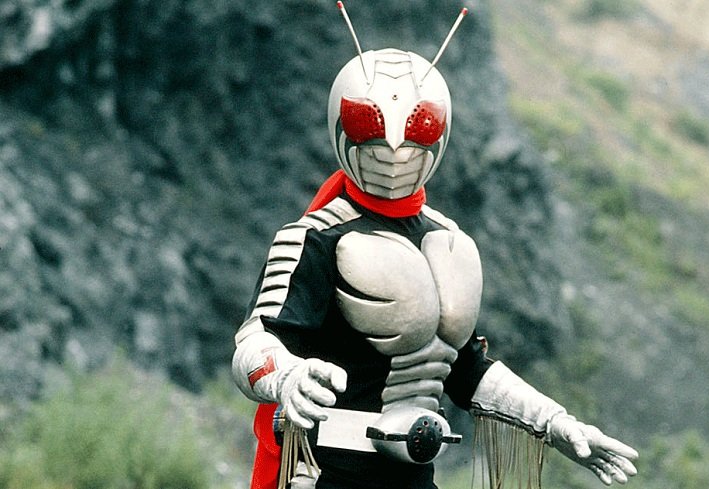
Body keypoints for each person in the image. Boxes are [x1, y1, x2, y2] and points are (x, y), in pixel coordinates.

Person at [232, 4, 638, 489]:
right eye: (368, 124)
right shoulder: (316, 237)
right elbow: (255, 343)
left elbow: (467, 371)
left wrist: (555, 423)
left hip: (416, 474)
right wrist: (286, 376)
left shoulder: (446, 241)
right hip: (327, 473)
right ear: (342, 123)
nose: (395, 148)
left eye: (420, 126)